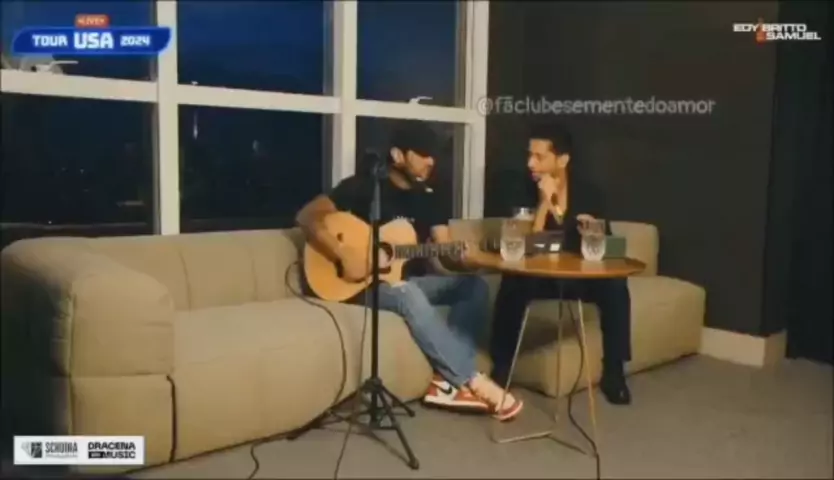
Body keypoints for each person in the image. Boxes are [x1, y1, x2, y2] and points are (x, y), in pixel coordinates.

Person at [296, 120, 524, 421]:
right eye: (423, 153)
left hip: (404, 281)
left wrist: (471, 258)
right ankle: (472, 380)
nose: (432, 161)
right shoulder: (363, 186)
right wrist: (343, 253)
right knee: (407, 292)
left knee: (473, 286)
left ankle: (445, 382)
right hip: (359, 286)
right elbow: (307, 215)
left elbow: (445, 251)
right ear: (398, 155)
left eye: (434, 154)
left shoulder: (431, 197)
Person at [489, 122, 633, 405]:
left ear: (563, 159)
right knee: (512, 282)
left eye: (539, 157)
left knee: (616, 286)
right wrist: (544, 204)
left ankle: (614, 372)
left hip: (578, 277)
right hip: (540, 277)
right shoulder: (521, 189)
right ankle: (502, 369)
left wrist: (594, 232)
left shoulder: (589, 193)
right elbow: (526, 247)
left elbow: (610, 248)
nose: (530, 163)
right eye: (529, 155)